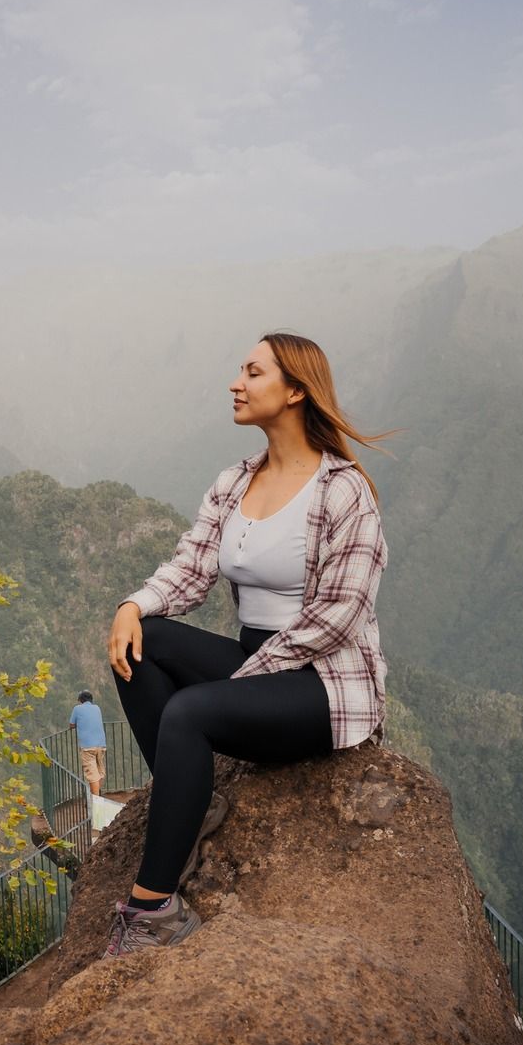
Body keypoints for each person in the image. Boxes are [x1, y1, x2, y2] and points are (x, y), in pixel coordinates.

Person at [103, 332, 390, 957]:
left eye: (254, 372)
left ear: (295, 391)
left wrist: (245, 679)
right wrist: (133, 606)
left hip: (322, 681)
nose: (237, 383)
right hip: (259, 661)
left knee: (190, 711)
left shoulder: (344, 491)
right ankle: (190, 800)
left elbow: (339, 616)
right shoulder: (235, 481)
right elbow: (191, 567)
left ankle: (153, 912)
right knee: (142, 646)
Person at [70, 689, 108, 799]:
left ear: (80, 700)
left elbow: (71, 724)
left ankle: (95, 801)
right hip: (101, 745)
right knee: (99, 771)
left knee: (92, 775)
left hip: (88, 747)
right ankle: (97, 796)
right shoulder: (97, 708)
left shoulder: (77, 709)